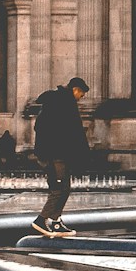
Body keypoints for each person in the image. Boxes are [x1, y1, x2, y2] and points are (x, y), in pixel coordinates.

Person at [32, 75, 90, 237]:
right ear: (75, 90)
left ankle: (56, 221)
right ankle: (41, 220)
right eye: (81, 95)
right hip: (55, 154)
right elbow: (71, 132)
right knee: (59, 188)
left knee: (64, 188)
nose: (81, 99)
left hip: (58, 153)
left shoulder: (59, 102)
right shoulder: (63, 103)